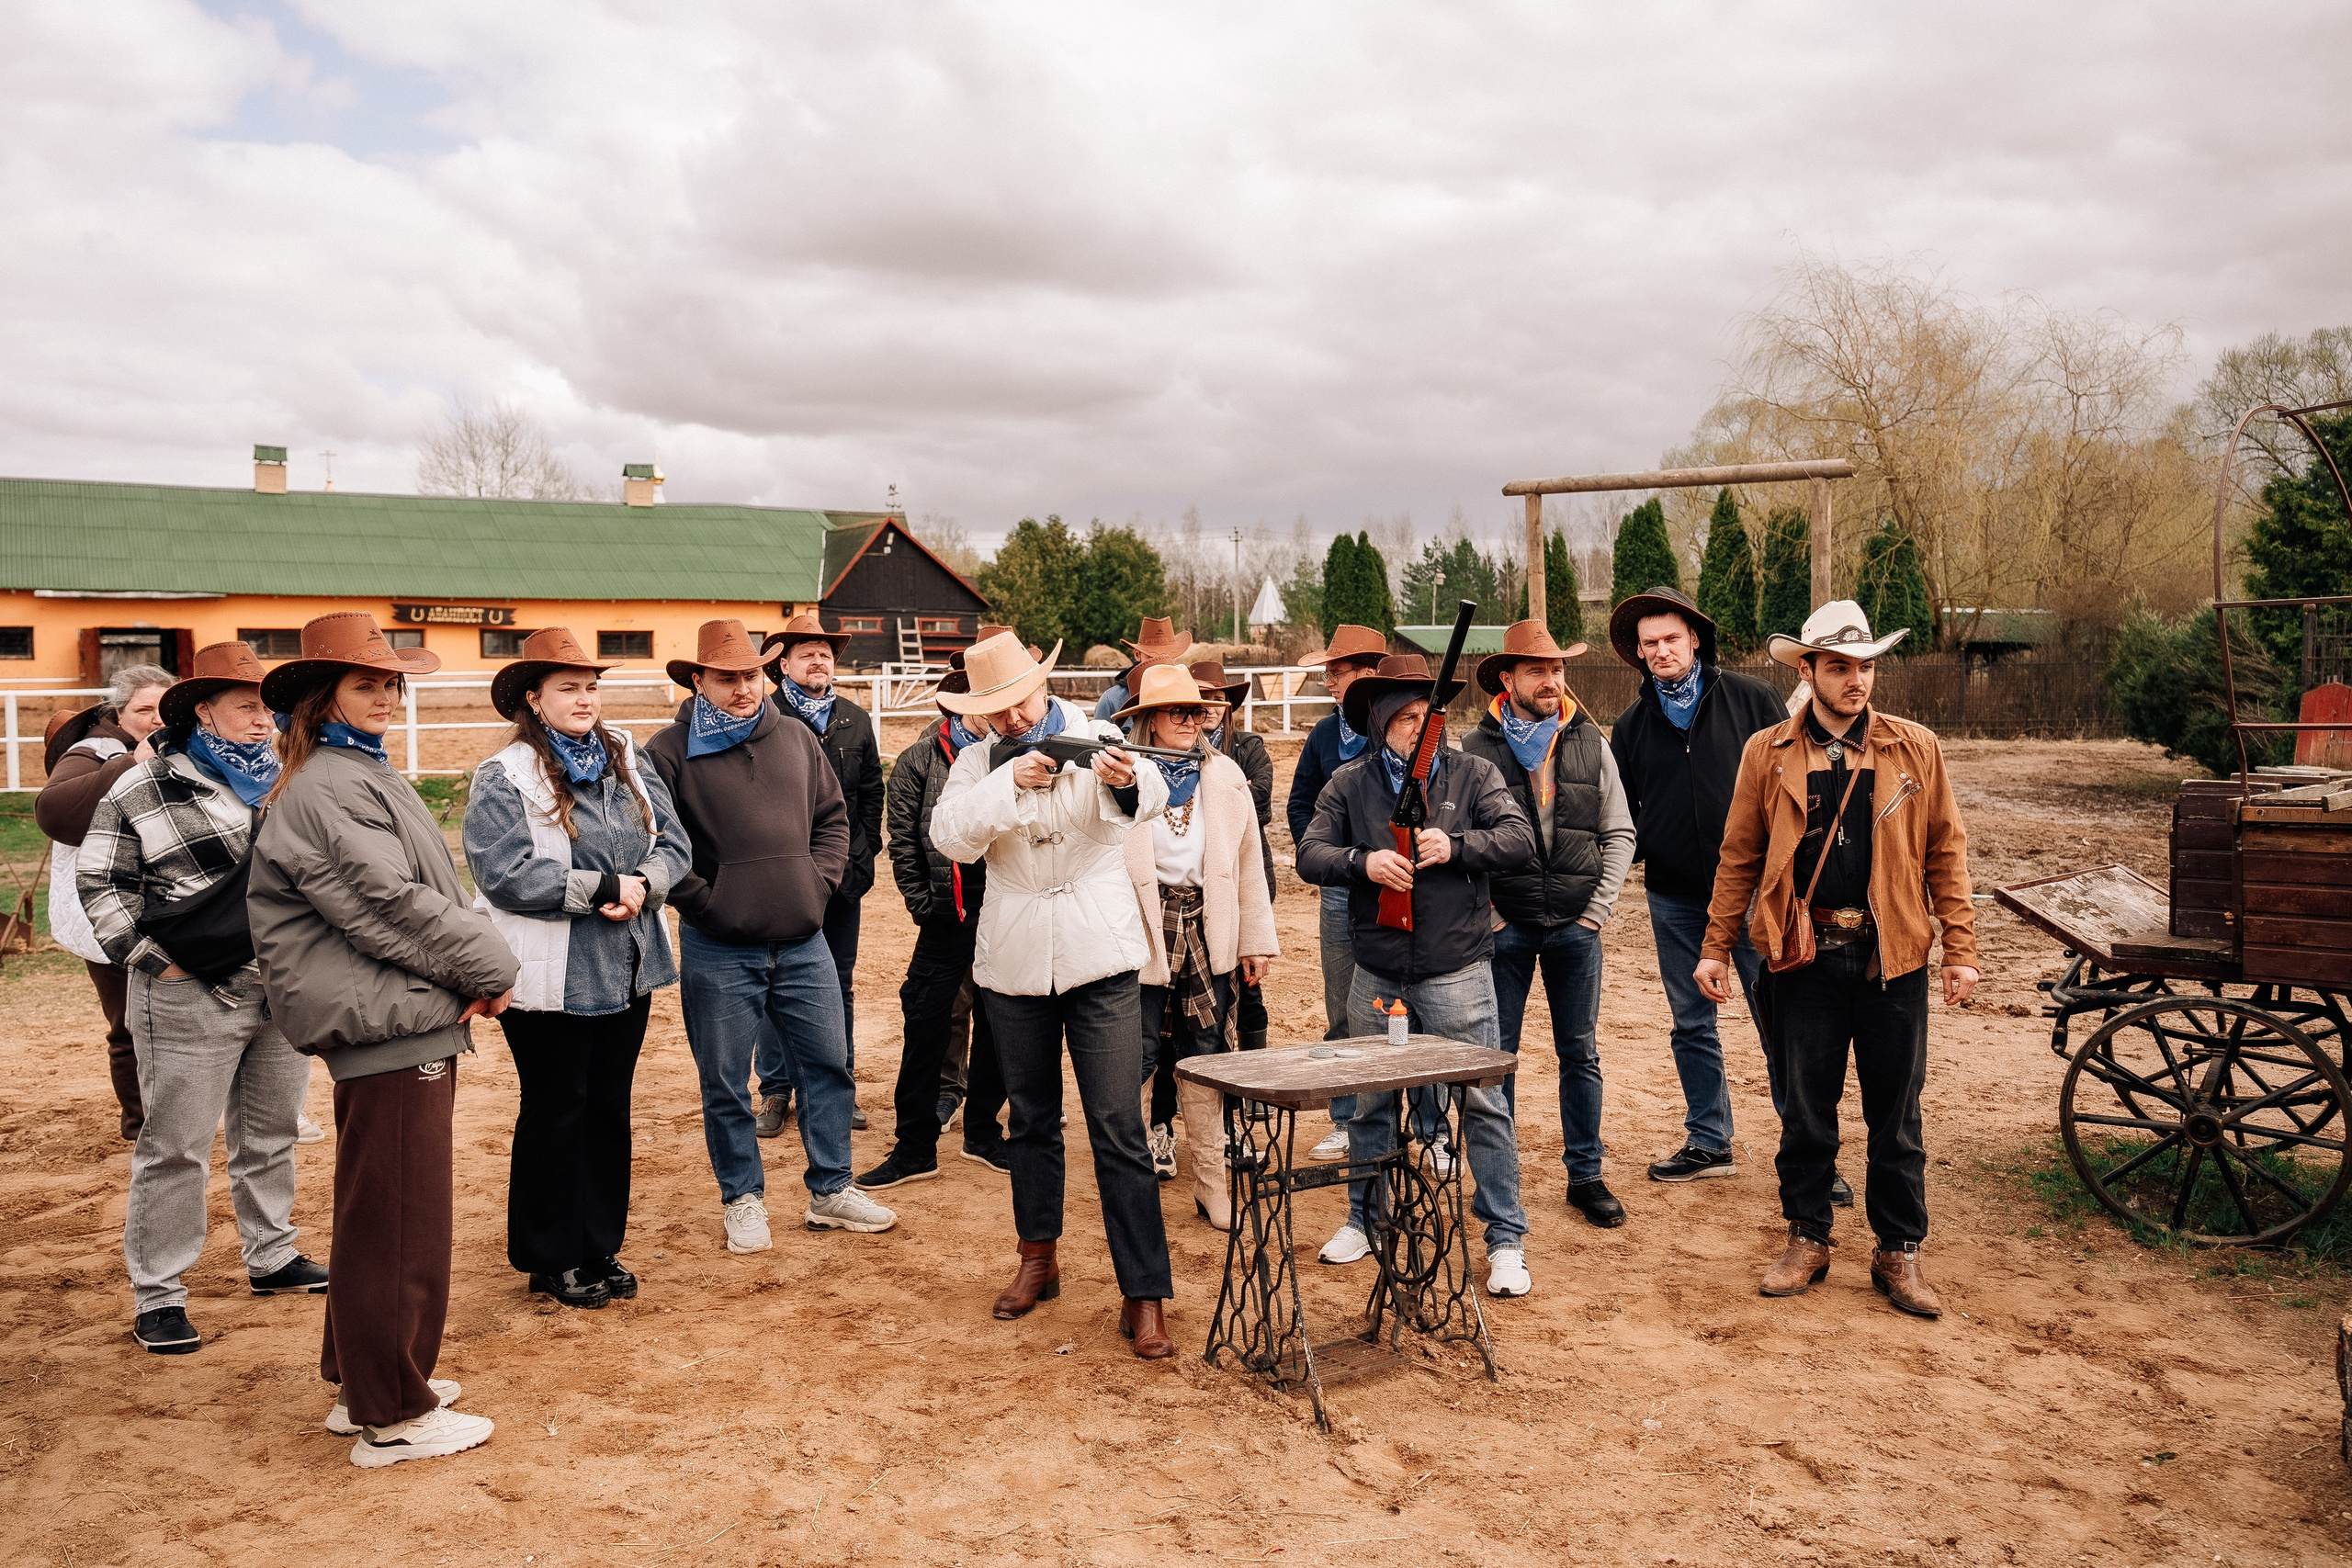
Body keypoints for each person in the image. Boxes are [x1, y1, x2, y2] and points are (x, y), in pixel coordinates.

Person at [246, 612, 518, 1468]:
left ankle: (358, 1380)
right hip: (388, 1017)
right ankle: (392, 1410)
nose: (385, 696)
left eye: (390, 684)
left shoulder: (349, 773)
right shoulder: (329, 784)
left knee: (381, 1208)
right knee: (400, 1219)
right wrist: (490, 962)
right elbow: (386, 902)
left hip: (395, 1011)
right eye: (367, 684)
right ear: (324, 697)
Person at [1699, 602, 1978, 1317]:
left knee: (1897, 1112)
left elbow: (1946, 849)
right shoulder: (1767, 752)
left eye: (1865, 665)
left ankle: (1898, 1250)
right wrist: (1715, 949)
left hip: (1894, 956)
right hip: (1801, 958)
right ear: (1807, 670)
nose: (1857, 680)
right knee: (1806, 1109)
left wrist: (1961, 949)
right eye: (1840, 667)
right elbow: (1739, 856)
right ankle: (1808, 1236)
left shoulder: (1916, 747)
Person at [928, 631, 1179, 1358]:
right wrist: (1009, 786)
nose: (1011, 717)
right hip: (1013, 957)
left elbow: (1152, 791)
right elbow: (949, 836)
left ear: (1044, 685)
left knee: (1117, 1125)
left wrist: (1124, 781)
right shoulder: (976, 763)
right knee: (1030, 1118)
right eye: (996, 708)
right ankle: (1038, 1256)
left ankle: (1144, 1292)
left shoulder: (1094, 732)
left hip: (1099, 952)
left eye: (1020, 700)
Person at [79, 642, 327, 1355]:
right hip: (188, 994)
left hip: (280, 987)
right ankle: (159, 1292)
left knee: (271, 1129)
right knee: (176, 1146)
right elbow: (101, 881)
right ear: (203, 711)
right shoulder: (143, 783)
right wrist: (154, 962)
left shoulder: (290, 777)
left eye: (267, 707)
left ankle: (272, 1255)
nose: (261, 719)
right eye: (246, 706)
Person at [645, 619, 896, 1253]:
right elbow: (661, 847)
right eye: (726, 676)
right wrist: (709, 903)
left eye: (750, 674)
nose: (741, 688)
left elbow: (833, 817)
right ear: (697, 679)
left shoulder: (796, 737)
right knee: (726, 1079)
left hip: (804, 938)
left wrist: (816, 885)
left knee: (827, 1065)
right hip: (718, 944)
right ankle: (743, 1197)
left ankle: (831, 1188)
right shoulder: (667, 752)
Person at [1295, 653, 1541, 1299]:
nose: (1416, 726)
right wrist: (1364, 860)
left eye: (1424, 714)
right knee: (1372, 1103)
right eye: (1402, 716)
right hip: (1377, 970)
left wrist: (1455, 846)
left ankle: (1505, 1239)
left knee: (1484, 1103)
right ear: (1379, 722)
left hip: (1457, 968)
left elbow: (1519, 839)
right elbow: (1309, 852)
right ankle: (1364, 1220)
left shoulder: (1475, 771)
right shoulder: (1349, 782)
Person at [463, 629, 692, 1310]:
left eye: (591, 686)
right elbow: (503, 873)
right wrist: (602, 888)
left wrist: (645, 884)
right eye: (568, 687)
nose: (585, 698)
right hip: (550, 975)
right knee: (557, 1107)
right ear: (534, 698)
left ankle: (598, 1242)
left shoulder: (627, 756)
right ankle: (549, 1254)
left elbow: (674, 842)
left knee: (606, 1107)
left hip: (626, 962)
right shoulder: (503, 776)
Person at [1606, 585, 1797, 1190]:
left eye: (1670, 638)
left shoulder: (1752, 699)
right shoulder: (1633, 726)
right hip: (1675, 898)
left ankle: (1806, 1148)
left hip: (1756, 895)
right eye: (1649, 643)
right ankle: (1709, 1139)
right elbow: (1625, 817)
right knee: (1691, 1023)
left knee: (1781, 1021)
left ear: (1694, 638)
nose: (1661, 650)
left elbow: (1796, 785)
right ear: (1638, 653)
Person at [1456, 621, 1637, 1229]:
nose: (1553, 680)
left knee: (1579, 1052)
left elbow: (1620, 832)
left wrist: (1596, 911)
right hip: (1503, 930)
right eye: (1538, 670)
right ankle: (1500, 1184)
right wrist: (1492, 914)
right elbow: (1458, 843)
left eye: (1558, 669)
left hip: (1575, 930)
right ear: (1507, 679)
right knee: (1496, 1057)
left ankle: (1585, 1174)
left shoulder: (1589, 740)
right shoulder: (1474, 751)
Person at [1117, 663, 1278, 1230]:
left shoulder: (1225, 774)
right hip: (1140, 924)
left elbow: (1247, 862)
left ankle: (1212, 1186)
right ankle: (1131, 1187)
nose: (1192, 720)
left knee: (1205, 1052)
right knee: (1134, 1052)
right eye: (1176, 711)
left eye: (1198, 710)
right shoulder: (1123, 773)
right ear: (1150, 721)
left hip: (1208, 922)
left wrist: (1254, 938)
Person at [858, 661, 1014, 1188]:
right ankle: (915, 1144)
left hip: (1005, 908)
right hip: (947, 914)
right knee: (925, 1019)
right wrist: (924, 905)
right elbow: (902, 839)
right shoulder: (917, 760)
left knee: (998, 1019)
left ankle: (983, 1132)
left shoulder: (1013, 754)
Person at [752, 615, 883, 1135]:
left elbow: (871, 793)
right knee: (770, 983)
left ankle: (835, 1088)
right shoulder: (764, 716)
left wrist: (863, 854)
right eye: (806, 652)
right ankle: (776, 1091)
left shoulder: (854, 718)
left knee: (838, 985)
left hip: (843, 878)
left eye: (825, 653)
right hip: (780, 878)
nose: (818, 660)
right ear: (782, 664)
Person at [34, 664, 171, 1141]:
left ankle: (170, 1119)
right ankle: (142, 1125)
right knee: (129, 1022)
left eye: (163, 708)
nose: (156, 718)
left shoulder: (170, 749)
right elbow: (55, 813)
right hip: (105, 906)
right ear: (119, 711)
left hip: (154, 904)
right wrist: (129, 764)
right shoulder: (95, 751)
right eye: (144, 709)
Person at [1282, 624, 1391, 1161]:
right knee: (1342, 1005)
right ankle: (1347, 1118)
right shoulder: (1325, 735)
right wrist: (1321, 853)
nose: (1328, 680)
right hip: (1341, 889)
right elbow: (1300, 802)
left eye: (1336, 671)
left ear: (1368, 674)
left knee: (1401, 1004)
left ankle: (1418, 1120)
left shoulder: (1398, 728)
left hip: (1393, 885)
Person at [1092, 616, 1193, 722]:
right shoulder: (1111, 701)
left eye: (1170, 657)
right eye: (1153, 658)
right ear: (1137, 654)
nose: (1163, 663)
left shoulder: (1189, 695)